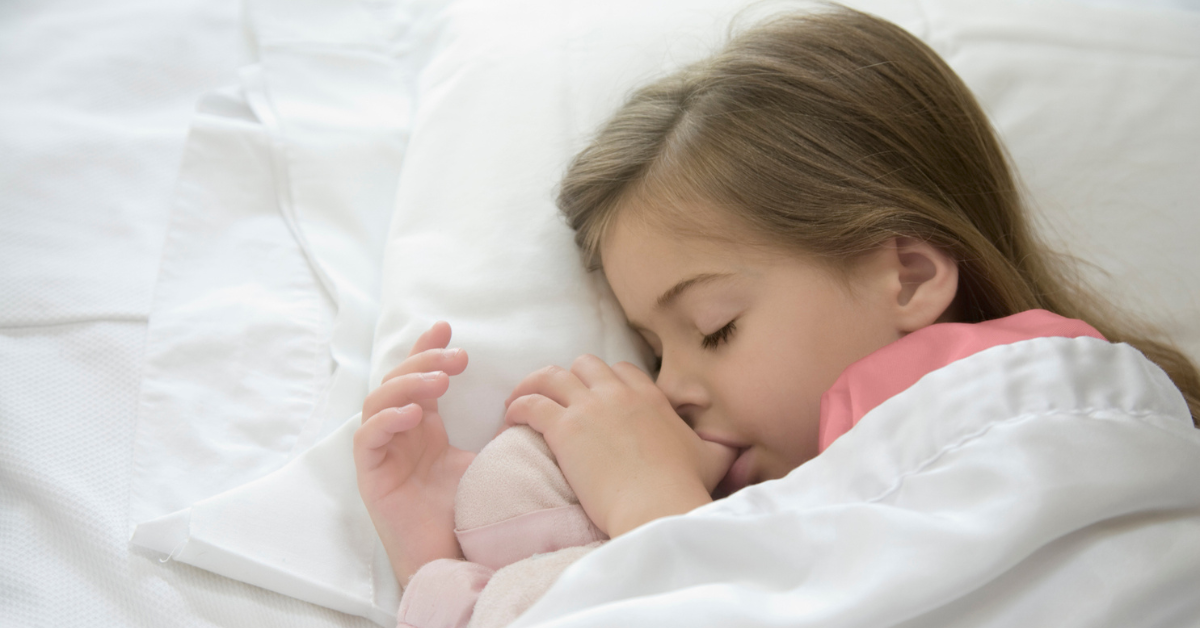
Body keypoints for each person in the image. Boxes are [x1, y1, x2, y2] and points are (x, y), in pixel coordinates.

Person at [353, 6, 1200, 628]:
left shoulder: (1049, 431)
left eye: (715, 327)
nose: (673, 390)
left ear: (907, 275)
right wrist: (437, 568)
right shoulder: (798, 506)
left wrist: (657, 511)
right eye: (650, 352)